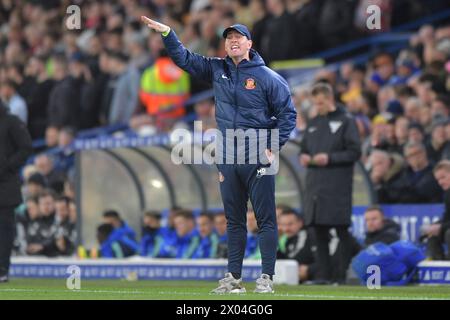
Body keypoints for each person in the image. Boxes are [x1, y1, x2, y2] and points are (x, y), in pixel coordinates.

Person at [141, 16, 296, 294]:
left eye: (238, 37)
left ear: (250, 43)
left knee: (265, 219)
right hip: (228, 154)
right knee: (234, 220)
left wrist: (274, 146)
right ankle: (233, 279)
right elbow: (185, 59)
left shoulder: (268, 78)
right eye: (229, 38)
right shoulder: (217, 69)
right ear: (225, 45)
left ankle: (266, 278)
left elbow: (288, 115)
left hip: (257, 152)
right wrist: (168, 34)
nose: (233, 41)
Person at [300, 82, 361, 284]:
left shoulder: (346, 121)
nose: (319, 107)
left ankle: (341, 276)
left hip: (337, 187)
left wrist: (330, 158)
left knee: (341, 230)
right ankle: (323, 276)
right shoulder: (313, 123)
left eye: (321, 102)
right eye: (316, 103)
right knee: (318, 232)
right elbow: (304, 149)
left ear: (330, 98)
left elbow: (355, 152)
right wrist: (304, 157)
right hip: (315, 187)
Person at [0, 101, 32, 282]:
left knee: (4, 231)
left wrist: (7, 167)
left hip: (5, 187)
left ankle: (2, 269)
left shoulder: (11, 121)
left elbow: (26, 147)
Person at [277, 208, 316, 283]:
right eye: (282, 225)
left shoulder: (309, 235)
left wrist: (309, 269)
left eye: (290, 224)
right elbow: (285, 261)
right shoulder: (289, 240)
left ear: (300, 223)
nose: (286, 229)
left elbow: (297, 259)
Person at [424, 160, 450, 260]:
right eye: (438, 179)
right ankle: (435, 265)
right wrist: (434, 227)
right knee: (432, 235)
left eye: (443, 177)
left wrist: (441, 227)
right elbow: (447, 217)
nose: (440, 182)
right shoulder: (448, 194)